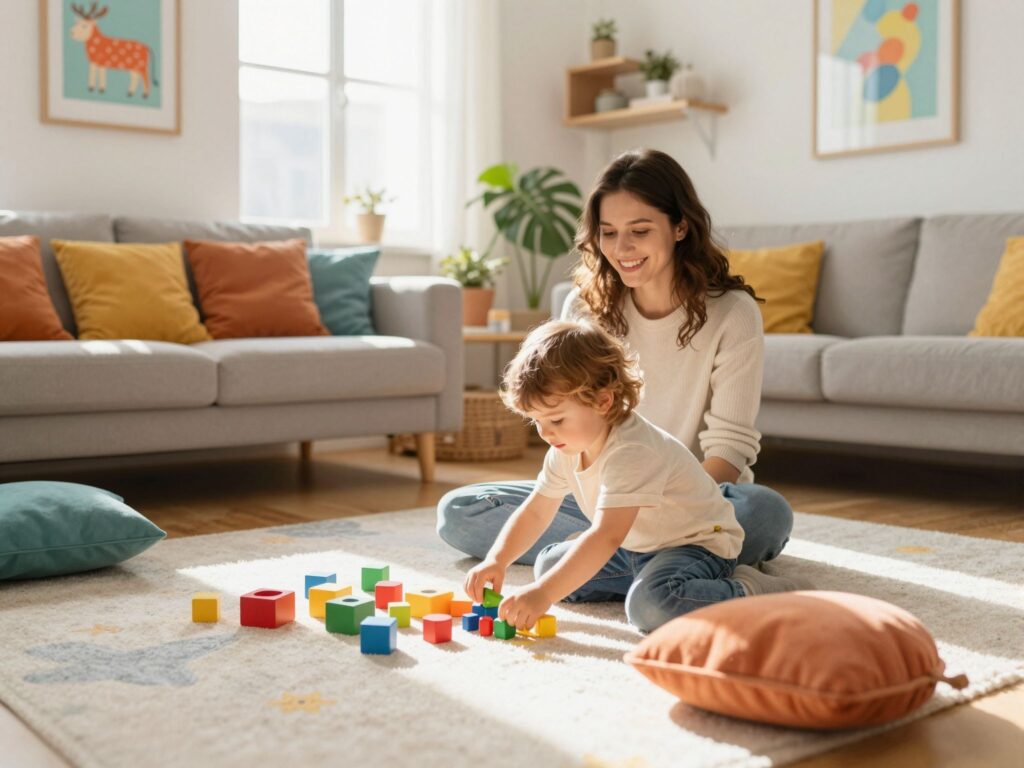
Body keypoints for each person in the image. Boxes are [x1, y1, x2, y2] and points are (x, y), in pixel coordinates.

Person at [438, 148, 794, 572]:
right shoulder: (584, 309)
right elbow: (571, 441)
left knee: (765, 512)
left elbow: (730, 448)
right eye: (608, 232)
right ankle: (650, 564)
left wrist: (649, 507)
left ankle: (599, 559)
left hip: (689, 503)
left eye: (639, 231)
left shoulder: (732, 313)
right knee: (460, 511)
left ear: (680, 226)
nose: (622, 248)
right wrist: (611, 509)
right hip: (599, 500)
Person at [464, 320, 808, 633]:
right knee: (550, 564)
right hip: (638, 548)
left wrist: (542, 595)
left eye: (555, 419)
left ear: (603, 401)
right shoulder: (565, 448)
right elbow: (537, 510)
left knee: (649, 607)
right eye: (535, 421)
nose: (545, 433)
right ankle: (663, 581)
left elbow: (606, 536)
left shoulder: (632, 451)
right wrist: (498, 559)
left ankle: (749, 589)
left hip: (695, 544)